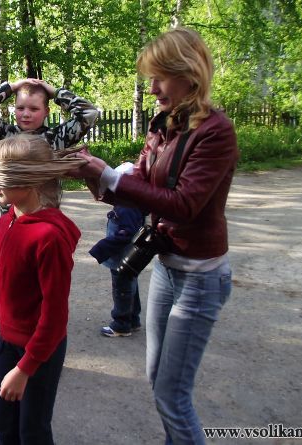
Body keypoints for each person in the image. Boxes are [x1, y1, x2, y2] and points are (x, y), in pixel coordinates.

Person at [67, 28, 239, 444]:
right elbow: (140, 184)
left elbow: (183, 205)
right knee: (158, 379)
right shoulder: (164, 126)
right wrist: (94, 175)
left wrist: (109, 175)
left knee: (171, 395)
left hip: (200, 277)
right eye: (150, 78)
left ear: (189, 74)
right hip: (166, 267)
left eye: (159, 77)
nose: (152, 88)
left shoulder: (215, 132)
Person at [0, 134, 83, 444]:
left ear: (29, 181)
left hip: (40, 351)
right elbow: (1, 283)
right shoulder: (5, 223)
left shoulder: (49, 238)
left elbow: (55, 316)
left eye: (2, 177)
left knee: (33, 433)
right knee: (5, 426)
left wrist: (26, 369)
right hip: (8, 343)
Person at [0, 78, 98, 213]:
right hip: (10, 217)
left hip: (45, 216)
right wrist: (11, 87)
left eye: (34, 109)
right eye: (20, 108)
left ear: (46, 111)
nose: (26, 114)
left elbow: (89, 113)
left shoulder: (57, 139)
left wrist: (56, 93)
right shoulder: (4, 136)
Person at [89, 199, 145, 337]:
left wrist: (101, 248)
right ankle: (133, 320)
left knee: (122, 290)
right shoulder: (127, 204)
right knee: (130, 287)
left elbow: (126, 234)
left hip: (123, 259)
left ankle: (121, 324)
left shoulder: (127, 207)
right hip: (128, 259)